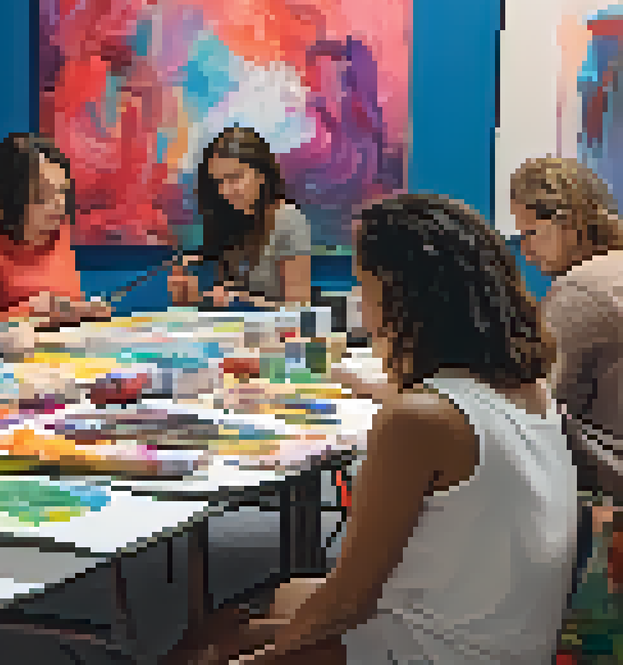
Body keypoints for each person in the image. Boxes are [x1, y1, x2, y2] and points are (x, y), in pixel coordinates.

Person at [166, 194, 576, 665]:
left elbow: (348, 603)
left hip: (445, 650)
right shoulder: (527, 386)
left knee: (208, 646)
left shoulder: (416, 419)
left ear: (402, 295)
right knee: (264, 608)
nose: (360, 301)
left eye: (363, 284)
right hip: (504, 633)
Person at [510, 156, 623, 592]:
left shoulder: (581, 289)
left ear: (569, 221)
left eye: (531, 234)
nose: (525, 252)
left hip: (602, 499)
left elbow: (535, 403)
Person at [0, 133, 113, 337]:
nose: (60, 204)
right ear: (10, 197)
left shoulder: (59, 233)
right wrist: (36, 311)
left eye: (62, 192)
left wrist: (86, 311)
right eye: (44, 195)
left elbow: (67, 308)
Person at [168, 126, 312, 309]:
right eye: (219, 181)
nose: (225, 191)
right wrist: (189, 297)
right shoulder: (228, 220)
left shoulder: (287, 219)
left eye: (235, 178)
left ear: (261, 175)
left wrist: (239, 300)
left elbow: (299, 308)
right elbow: (219, 301)